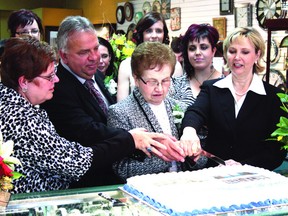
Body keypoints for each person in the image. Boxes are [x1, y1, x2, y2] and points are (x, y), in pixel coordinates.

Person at [41, 16, 185, 188]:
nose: (94, 57)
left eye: (95, 48)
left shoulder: (95, 76)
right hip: (87, 183)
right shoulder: (57, 88)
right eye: (84, 52)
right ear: (63, 55)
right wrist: (131, 138)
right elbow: (87, 132)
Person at [0, 36, 156, 193]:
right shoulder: (22, 118)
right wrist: (129, 140)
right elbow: (76, 162)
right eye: (49, 76)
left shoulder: (11, 104)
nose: (56, 79)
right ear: (24, 82)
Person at [180, 27, 287, 171]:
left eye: (245, 52)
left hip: (254, 177)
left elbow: (275, 151)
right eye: (232, 51)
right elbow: (195, 112)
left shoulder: (273, 97)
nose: (237, 57)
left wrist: (243, 166)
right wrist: (189, 131)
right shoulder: (212, 88)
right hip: (215, 174)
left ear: (257, 55)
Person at [108, 42, 195, 180]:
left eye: (165, 80)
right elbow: (122, 168)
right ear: (136, 79)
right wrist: (168, 155)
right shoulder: (120, 113)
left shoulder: (180, 107)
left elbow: (201, 158)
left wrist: (193, 154)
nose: (159, 88)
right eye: (152, 81)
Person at [116, 12, 183, 102]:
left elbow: (178, 104)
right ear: (141, 34)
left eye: (158, 31)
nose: (154, 35)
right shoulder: (126, 66)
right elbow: (121, 107)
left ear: (164, 35)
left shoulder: (175, 66)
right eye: (149, 31)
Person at [171, 24, 223, 106]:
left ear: (213, 51)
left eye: (203, 47)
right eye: (192, 48)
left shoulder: (225, 85)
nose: (197, 52)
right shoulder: (176, 85)